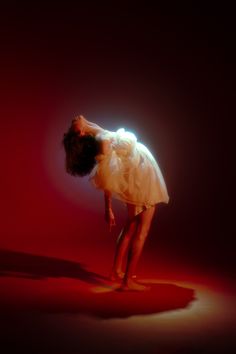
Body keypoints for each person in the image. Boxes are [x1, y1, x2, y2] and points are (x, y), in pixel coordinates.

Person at [63, 115, 169, 291]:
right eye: (73, 123)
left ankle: (116, 271)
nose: (74, 118)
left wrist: (82, 125)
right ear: (80, 132)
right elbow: (107, 178)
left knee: (131, 227)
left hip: (141, 174)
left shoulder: (95, 130)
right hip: (141, 180)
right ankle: (128, 280)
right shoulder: (101, 140)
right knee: (141, 231)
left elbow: (87, 125)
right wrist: (108, 208)